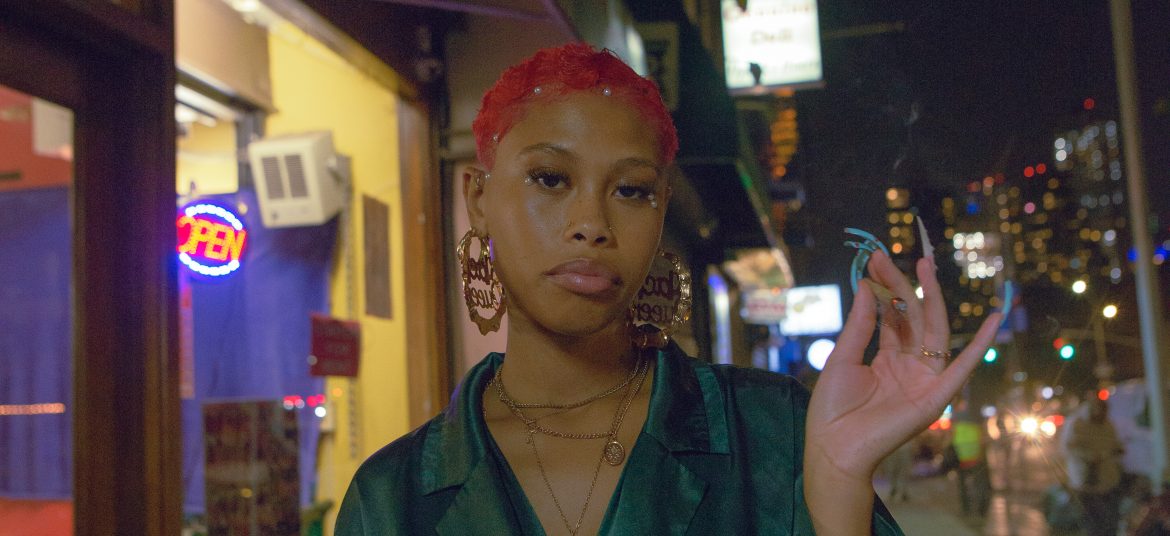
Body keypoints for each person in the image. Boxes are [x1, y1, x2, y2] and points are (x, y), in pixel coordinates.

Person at [334, 43, 1001, 535]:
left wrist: (838, 494)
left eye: (631, 190)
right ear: (478, 198)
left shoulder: (776, 433)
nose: (592, 223)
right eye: (551, 179)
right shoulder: (390, 498)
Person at [1062, 396, 1124, 536]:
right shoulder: (1077, 424)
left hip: (1107, 479)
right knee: (1091, 520)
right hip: (1085, 479)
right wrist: (1089, 456)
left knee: (1108, 519)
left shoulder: (1107, 425)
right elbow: (1069, 448)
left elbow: (1114, 443)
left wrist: (1117, 449)